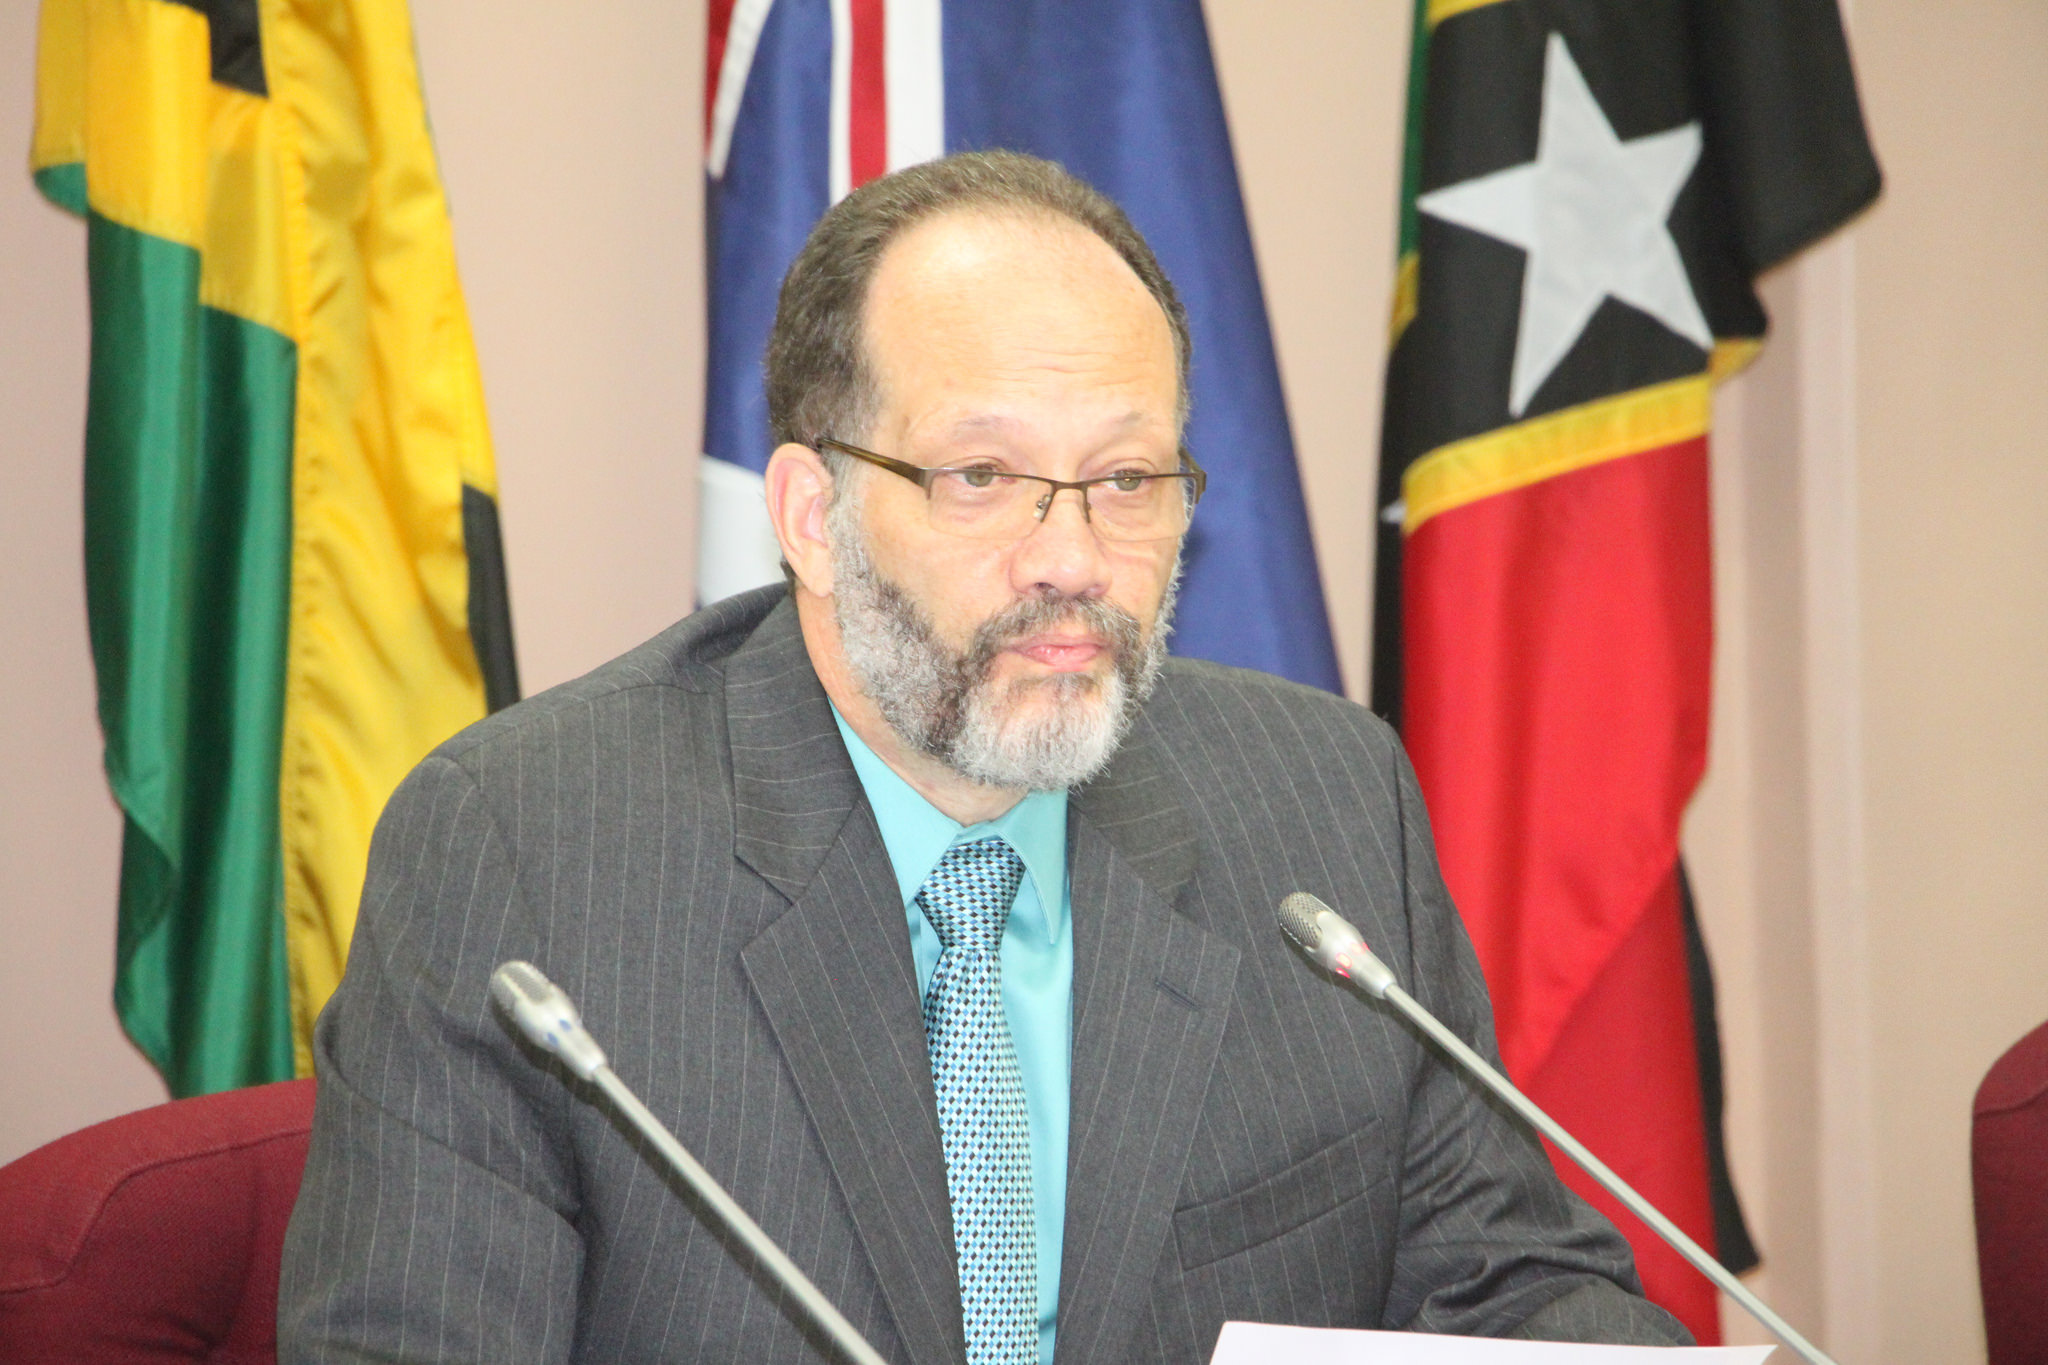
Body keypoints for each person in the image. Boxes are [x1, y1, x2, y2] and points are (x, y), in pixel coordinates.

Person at [279, 151, 1687, 1364]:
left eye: (1129, 480)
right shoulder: (527, 853)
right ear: (814, 516)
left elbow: (1506, 1290)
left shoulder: (1322, 802)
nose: (1073, 559)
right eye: (982, 478)